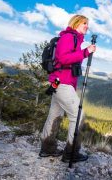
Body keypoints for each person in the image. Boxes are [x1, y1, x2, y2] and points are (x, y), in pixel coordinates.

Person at [39, 14, 96, 163]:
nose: (87, 26)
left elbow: (66, 60)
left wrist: (83, 51)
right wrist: (85, 52)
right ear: (76, 23)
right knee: (78, 115)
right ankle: (71, 153)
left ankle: (47, 148)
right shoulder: (69, 37)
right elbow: (63, 58)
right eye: (85, 23)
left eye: (87, 24)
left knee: (55, 114)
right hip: (62, 83)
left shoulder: (73, 39)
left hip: (58, 82)